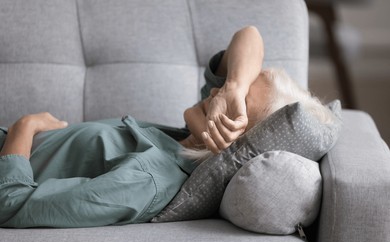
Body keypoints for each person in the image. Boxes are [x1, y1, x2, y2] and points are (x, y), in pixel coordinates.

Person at [0, 26, 334, 228]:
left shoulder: (147, 181)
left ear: (234, 144)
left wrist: (24, 127)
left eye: (240, 104)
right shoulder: (183, 142)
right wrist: (235, 87)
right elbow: (249, 35)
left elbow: (10, 203)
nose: (216, 95)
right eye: (236, 87)